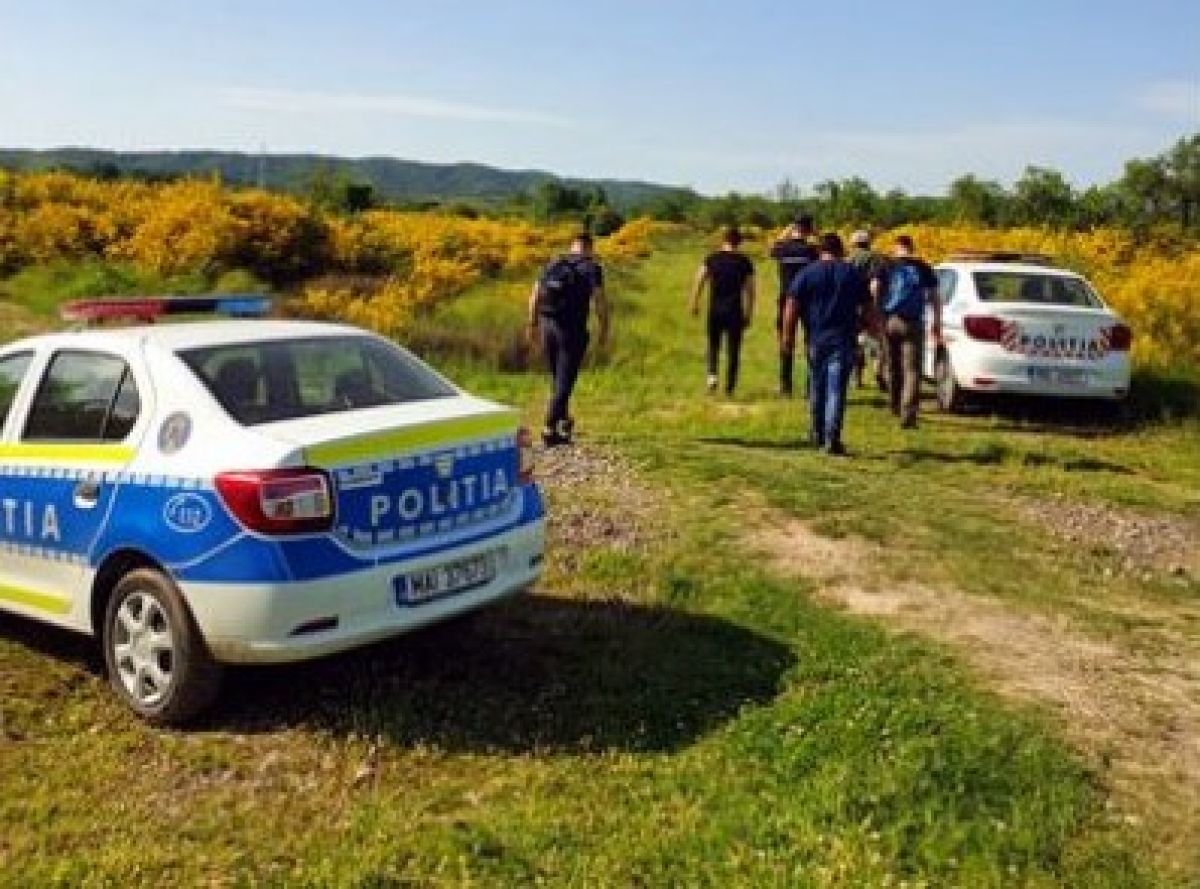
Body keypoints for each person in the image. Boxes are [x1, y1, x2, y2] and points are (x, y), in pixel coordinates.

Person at [783, 232, 870, 455]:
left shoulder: (807, 273)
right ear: (840, 250)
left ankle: (816, 433)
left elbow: (791, 306)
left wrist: (788, 337)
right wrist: (870, 330)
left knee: (817, 386)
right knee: (836, 390)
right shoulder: (852, 274)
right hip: (843, 339)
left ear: (820, 250)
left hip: (815, 339)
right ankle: (832, 438)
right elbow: (867, 307)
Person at [528, 233, 610, 446]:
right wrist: (604, 328)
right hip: (571, 330)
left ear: (572, 246)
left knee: (557, 378)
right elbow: (599, 300)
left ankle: (564, 420)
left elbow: (535, 295)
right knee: (564, 382)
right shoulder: (592, 268)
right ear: (589, 248)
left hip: (547, 325)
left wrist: (532, 324)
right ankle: (548, 428)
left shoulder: (553, 263)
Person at [880, 234, 941, 428]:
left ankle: (894, 405)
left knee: (892, 365)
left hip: (890, 320)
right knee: (912, 370)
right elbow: (935, 297)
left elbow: (874, 288)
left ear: (895, 247)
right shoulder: (923, 267)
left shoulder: (887, 265)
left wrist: (878, 312)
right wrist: (936, 322)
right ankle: (908, 414)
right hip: (913, 322)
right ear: (911, 248)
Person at [690, 227, 755, 395]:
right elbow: (750, 291)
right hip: (734, 310)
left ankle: (712, 376)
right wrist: (748, 313)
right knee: (733, 349)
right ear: (739, 242)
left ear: (723, 240)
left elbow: (699, 280)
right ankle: (729, 388)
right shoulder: (744, 262)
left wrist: (694, 301)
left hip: (715, 309)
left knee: (713, 344)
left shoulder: (712, 259)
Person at [769, 214, 818, 397]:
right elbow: (828, 251)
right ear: (809, 229)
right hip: (809, 299)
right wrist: (816, 235)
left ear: (794, 227)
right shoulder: (811, 250)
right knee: (811, 340)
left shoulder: (782, 248)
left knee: (786, 340)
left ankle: (785, 386)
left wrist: (786, 233)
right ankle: (810, 386)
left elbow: (772, 250)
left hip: (787, 298)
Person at [847, 229, 890, 390]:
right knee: (876, 339)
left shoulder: (848, 259)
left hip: (851, 305)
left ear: (853, 243)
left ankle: (856, 377)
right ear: (868, 243)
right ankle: (879, 371)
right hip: (870, 304)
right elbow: (875, 283)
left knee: (855, 339)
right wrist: (876, 305)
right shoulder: (876, 258)